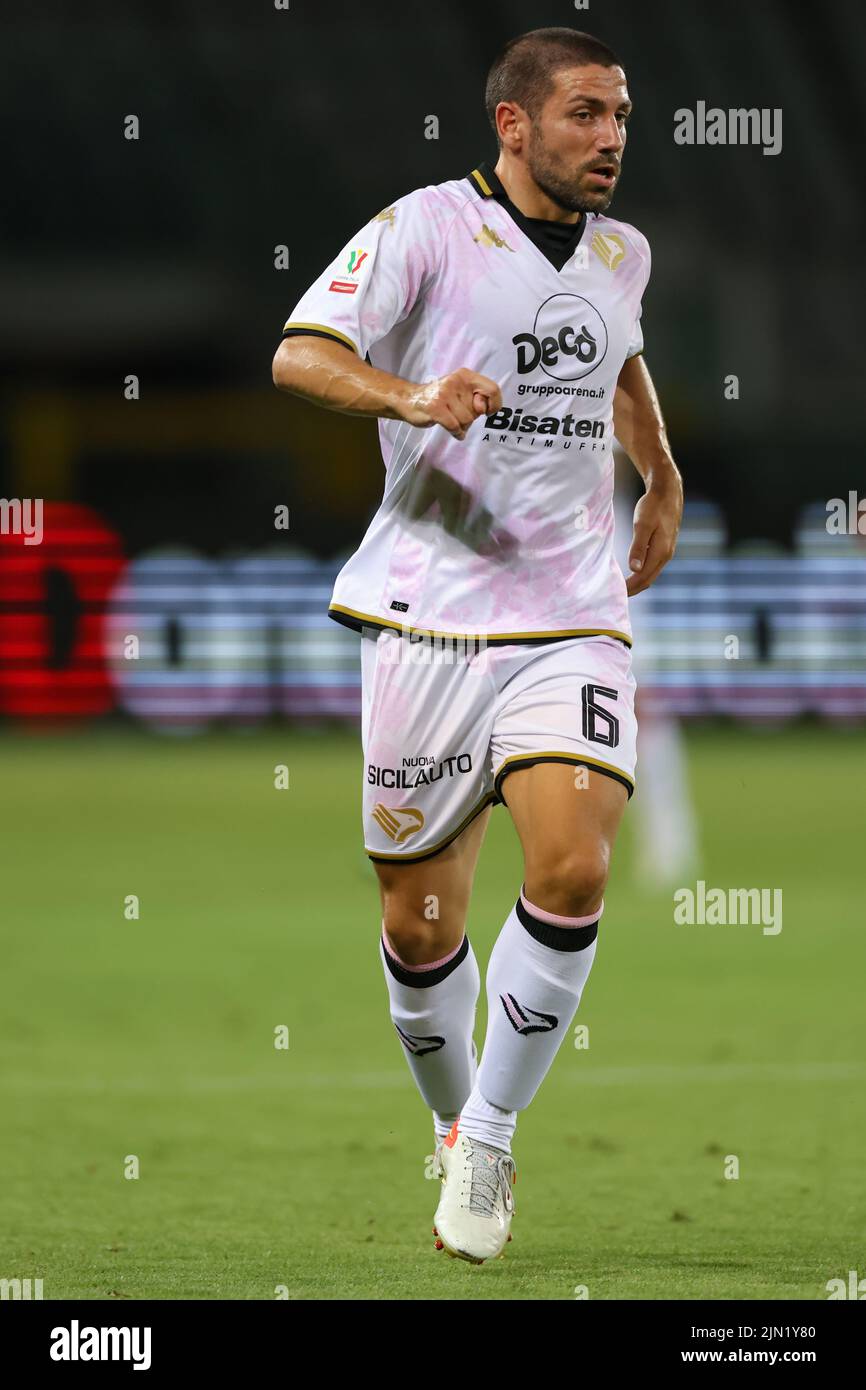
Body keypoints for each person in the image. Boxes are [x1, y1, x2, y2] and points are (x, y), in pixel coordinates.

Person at [272, 26, 683, 1265]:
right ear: (512, 125)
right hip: (425, 616)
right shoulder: (420, 232)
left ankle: (493, 1130)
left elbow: (618, 357)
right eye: (583, 115)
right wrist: (411, 395)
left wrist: (657, 471)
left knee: (568, 869)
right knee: (418, 926)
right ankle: (456, 1128)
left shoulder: (623, 251)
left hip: (569, 611)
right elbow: (300, 352)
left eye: (618, 114)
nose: (610, 137)